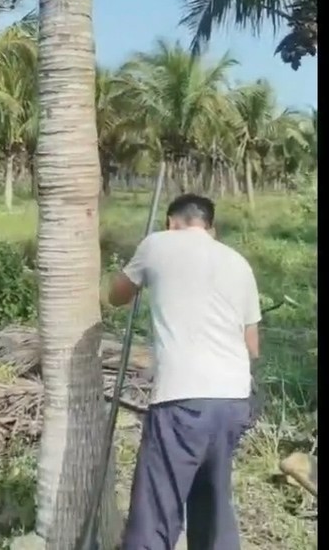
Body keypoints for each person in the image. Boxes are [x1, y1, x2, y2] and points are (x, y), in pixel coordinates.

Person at [108, 192, 261, 550]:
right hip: (234, 400)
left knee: (157, 509)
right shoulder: (238, 262)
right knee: (212, 504)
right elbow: (252, 346)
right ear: (211, 228)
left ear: (171, 222)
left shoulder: (157, 243)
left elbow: (116, 296)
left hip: (182, 400)